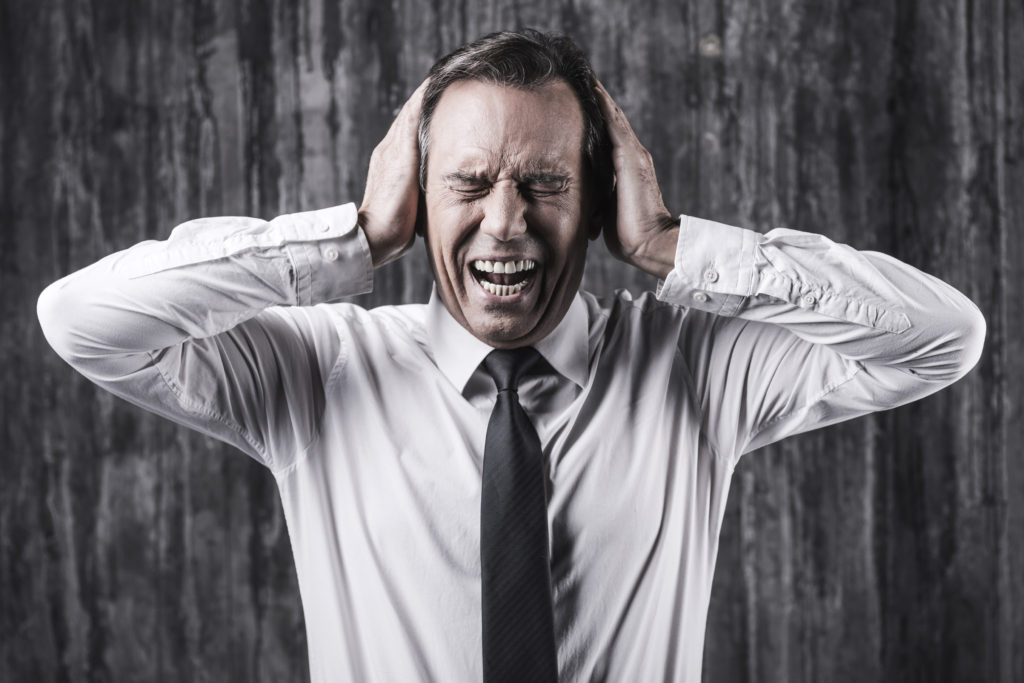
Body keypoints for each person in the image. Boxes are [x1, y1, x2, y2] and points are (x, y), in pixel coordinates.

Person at [37, 29, 985, 683]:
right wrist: (354, 239)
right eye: (468, 182)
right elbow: (82, 319)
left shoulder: (696, 370)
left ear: (597, 198)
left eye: (543, 181)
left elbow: (941, 336)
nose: (505, 220)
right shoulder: (318, 376)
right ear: (417, 194)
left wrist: (671, 246)